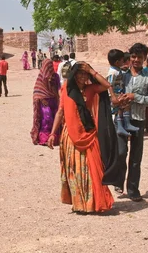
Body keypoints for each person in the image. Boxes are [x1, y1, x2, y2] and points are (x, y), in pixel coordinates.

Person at [47, 62, 115, 213]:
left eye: (85, 74)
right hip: (70, 135)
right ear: (74, 74)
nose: (83, 76)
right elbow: (60, 112)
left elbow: (106, 85)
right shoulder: (66, 88)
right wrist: (52, 133)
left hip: (88, 133)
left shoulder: (90, 89)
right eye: (80, 73)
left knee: (91, 170)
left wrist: (92, 70)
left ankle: (92, 203)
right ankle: (79, 203)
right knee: (75, 170)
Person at [115, 43, 148, 201]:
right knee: (120, 152)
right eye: (133, 56)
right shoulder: (122, 75)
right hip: (120, 118)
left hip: (138, 120)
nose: (136, 60)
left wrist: (135, 97)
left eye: (139, 57)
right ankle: (118, 180)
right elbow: (112, 91)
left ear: (144, 58)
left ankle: (133, 189)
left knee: (135, 156)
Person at [107, 49, 138, 136]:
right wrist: (113, 96)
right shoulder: (112, 72)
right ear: (117, 62)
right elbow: (109, 84)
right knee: (119, 110)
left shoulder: (117, 70)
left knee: (124, 107)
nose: (123, 62)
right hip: (115, 94)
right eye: (122, 60)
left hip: (119, 92)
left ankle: (126, 124)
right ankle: (120, 126)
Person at [31, 59, 61, 145]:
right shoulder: (41, 77)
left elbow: (58, 88)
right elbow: (37, 90)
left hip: (54, 100)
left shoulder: (56, 76)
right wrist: (41, 98)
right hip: (44, 101)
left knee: (56, 118)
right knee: (47, 119)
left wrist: (60, 99)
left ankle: (55, 138)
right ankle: (44, 139)